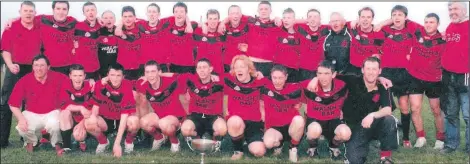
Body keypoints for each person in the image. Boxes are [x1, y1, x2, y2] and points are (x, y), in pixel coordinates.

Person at [308, 57, 396, 164]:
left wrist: (372, 115)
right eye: (368, 69)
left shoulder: (383, 86)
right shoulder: (352, 80)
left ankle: (385, 157)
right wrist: (315, 79)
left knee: (389, 119)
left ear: (379, 71)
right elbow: (329, 74)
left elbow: (388, 109)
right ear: (362, 70)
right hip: (354, 128)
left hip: (371, 124)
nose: (371, 72)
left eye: (374, 69)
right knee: (354, 160)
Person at [375, 5, 423, 148]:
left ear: (406, 17)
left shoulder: (412, 29)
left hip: (403, 73)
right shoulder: (385, 30)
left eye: (400, 15)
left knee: (404, 106)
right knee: (383, 104)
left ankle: (406, 138)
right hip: (387, 73)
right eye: (394, 15)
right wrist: (384, 22)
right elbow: (376, 30)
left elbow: (426, 29)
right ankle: (380, 134)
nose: (397, 17)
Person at [8, 55, 67, 156]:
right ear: (32, 67)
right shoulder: (25, 80)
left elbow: (74, 83)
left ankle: (58, 144)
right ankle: (31, 143)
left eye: (42, 65)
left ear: (48, 67)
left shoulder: (59, 77)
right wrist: (21, 119)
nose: (39, 69)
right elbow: (12, 104)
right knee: (22, 127)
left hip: (52, 112)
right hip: (32, 113)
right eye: (36, 65)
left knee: (55, 125)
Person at [0, 1, 41, 148]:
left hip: (32, 70)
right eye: (25, 11)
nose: (28, 13)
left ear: (35, 13)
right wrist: (10, 65)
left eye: (31, 11)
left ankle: (27, 139)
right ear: (20, 12)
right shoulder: (11, 28)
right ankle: (2, 141)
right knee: (7, 104)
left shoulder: (40, 25)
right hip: (14, 68)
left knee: (29, 106)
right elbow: (5, 50)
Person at [406, 13, 446, 149]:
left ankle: (440, 139)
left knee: (436, 110)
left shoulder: (443, 39)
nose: (428, 25)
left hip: (434, 79)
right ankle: (420, 137)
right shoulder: (417, 31)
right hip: (415, 77)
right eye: (426, 22)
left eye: (432, 22)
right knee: (415, 108)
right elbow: (401, 18)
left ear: (438, 24)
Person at [88, 63, 140, 157]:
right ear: (107, 75)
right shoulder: (100, 84)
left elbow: (125, 115)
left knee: (134, 121)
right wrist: (93, 121)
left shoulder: (127, 85)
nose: (115, 78)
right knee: (89, 122)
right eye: (112, 75)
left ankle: (128, 143)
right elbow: (95, 107)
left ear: (123, 76)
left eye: (118, 75)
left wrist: (117, 144)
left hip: (121, 119)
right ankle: (103, 142)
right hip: (106, 120)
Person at [302, 60, 351, 161]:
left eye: (326, 73)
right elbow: (288, 86)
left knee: (346, 133)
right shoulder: (309, 86)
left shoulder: (342, 86)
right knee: (314, 130)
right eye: (319, 73)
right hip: (315, 121)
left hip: (333, 120)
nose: (322, 77)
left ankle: (333, 146)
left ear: (333, 74)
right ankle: (313, 147)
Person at [137, 60, 188, 153]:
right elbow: (126, 83)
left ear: (159, 72)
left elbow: (183, 77)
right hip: (160, 117)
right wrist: (106, 79)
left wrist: (162, 75)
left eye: (153, 71)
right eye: (147, 72)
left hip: (176, 118)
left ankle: (175, 143)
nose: (150, 75)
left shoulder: (170, 81)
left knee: (163, 123)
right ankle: (159, 138)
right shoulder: (143, 84)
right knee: (143, 122)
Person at [440, 1, 469, 154]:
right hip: (448, 75)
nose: (452, 12)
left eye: (455, 8)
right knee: (450, 113)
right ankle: (451, 144)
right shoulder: (450, 26)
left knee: (467, 114)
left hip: (465, 76)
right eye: (450, 9)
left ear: (465, 9)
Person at [225, 55, 267, 160]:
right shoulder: (229, 81)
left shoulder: (260, 82)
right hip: (237, 121)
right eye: (236, 67)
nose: (239, 69)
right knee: (234, 121)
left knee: (259, 152)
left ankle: (246, 140)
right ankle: (238, 150)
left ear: (249, 69)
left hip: (254, 123)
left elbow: (278, 85)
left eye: (242, 66)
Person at [181, 58, 227, 151]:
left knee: (222, 130)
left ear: (211, 69)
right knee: (185, 130)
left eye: (205, 67)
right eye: (199, 68)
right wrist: (159, 74)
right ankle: (197, 136)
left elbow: (234, 76)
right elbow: (173, 76)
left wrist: (256, 74)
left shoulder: (220, 81)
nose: (202, 70)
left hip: (213, 116)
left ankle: (214, 140)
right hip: (196, 116)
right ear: (196, 70)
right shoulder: (191, 80)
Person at [261, 65, 304, 162]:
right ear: (270, 77)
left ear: (286, 77)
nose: (277, 81)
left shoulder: (294, 88)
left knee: (299, 120)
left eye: (280, 78)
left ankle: (293, 148)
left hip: (291, 126)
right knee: (268, 143)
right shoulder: (265, 89)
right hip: (275, 126)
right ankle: (279, 146)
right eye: (274, 78)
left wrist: (299, 103)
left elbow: (307, 90)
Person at [58, 64, 94, 152]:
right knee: (64, 113)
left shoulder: (91, 86)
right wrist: (81, 108)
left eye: (80, 75)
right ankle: (67, 146)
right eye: (75, 75)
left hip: (86, 119)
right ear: (70, 76)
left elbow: (95, 107)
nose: (77, 79)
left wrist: (82, 123)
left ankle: (82, 141)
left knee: (79, 135)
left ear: (85, 76)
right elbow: (64, 105)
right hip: (72, 119)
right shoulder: (65, 85)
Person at [347, 7, 384, 76]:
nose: (365, 20)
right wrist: (354, 21)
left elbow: (384, 52)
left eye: (368, 17)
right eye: (363, 17)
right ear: (359, 18)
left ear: (372, 19)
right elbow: (337, 22)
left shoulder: (378, 33)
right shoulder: (353, 27)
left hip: (369, 70)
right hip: (353, 69)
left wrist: (379, 55)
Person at [296, 9, 329, 81]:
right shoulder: (301, 28)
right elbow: (290, 20)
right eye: (310, 17)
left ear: (320, 19)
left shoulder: (326, 28)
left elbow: (340, 22)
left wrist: (355, 21)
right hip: (303, 70)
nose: (312, 19)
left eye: (315, 17)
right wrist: (305, 20)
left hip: (319, 70)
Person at [72, 2, 101, 81]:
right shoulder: (78, 26)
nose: (90, 12)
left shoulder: (100, 25)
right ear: (84, 13)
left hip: (96, 67)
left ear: (96, 11)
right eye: (87, 10)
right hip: (82, 69)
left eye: (92, 10)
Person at [193, 9, 226, 75]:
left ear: (218, 20)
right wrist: (202, 26)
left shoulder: (223, 32)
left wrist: (223, 23)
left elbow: (232, 17)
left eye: (215, 19)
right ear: (207, 19)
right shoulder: (198, 31)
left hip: (218, 72)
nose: (212, 21)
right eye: (210, 19)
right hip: (201, 73)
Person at [273, 8, 301, 83]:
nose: (286, 20)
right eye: (284, 18)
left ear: (294, 20)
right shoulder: (278, 30)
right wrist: (277, 18)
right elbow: (271, 20)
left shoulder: (300, 34)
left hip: (293, 70)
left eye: (289, 18)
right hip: (279, 68)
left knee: (291, 92)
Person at [97, 10, 118, 78]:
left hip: (117, 71)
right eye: (105, 18)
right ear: (102, 20)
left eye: (111, 18)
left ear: (115, 19)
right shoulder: (98, 32)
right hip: (102, 71)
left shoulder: (119, 31)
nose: (108, 20)